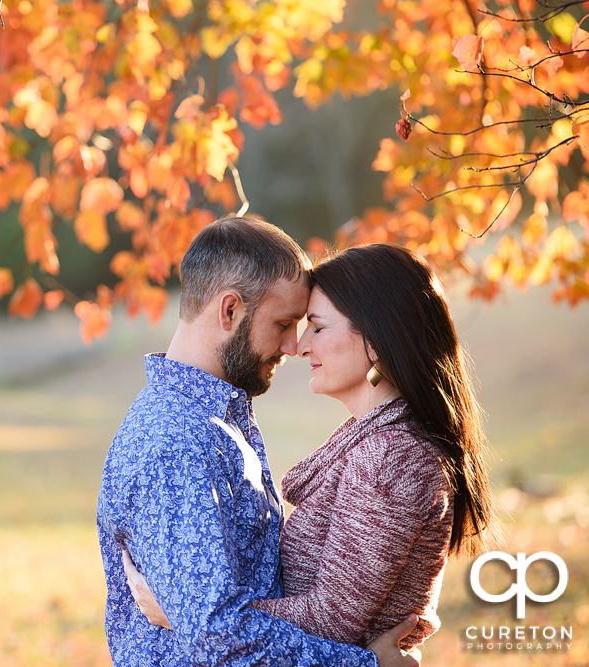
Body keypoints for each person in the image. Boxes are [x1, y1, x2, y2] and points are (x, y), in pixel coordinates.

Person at [123, 243, 497, 653]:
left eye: (317, 327)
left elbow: (331, 619)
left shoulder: (391, 457)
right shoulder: (375, 440)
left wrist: (188, 616)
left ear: (375, 339)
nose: (300, 347)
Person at [97, 218, 421, 667]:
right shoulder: (174, 443)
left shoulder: (217, 420)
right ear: (229, 311)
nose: (294, 345)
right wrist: (365, 664)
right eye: (283, 323)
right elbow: (218, 634)